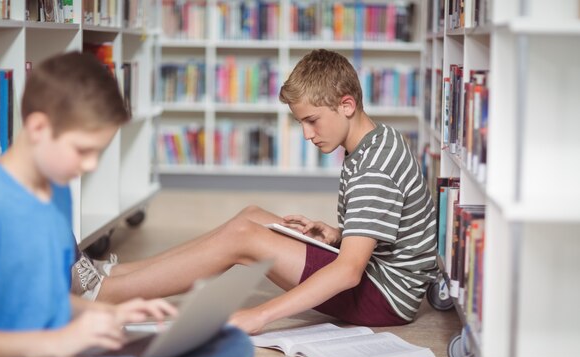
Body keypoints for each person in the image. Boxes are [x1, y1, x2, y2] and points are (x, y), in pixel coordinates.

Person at [0, 51, 340, 357]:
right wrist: (49, 343)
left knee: (229, 346)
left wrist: (111, 313)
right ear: (39, 127)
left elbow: (43, 299)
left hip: (65, 352)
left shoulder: (53, 189)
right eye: (82, 150)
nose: (88, 165)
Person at [74, 49, 441, 335]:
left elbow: (348, 272)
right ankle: (114, 277)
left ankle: (106, 292)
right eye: (301, 123)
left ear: (347, 105)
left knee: (244, 238)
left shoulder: (372, 168)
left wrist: (259, 314)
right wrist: (338, 233)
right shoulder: (379, 139)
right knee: (251, 215)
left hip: (384, 297)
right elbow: (388, 227)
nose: (307, 135)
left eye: (312, 121)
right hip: (380, 275)